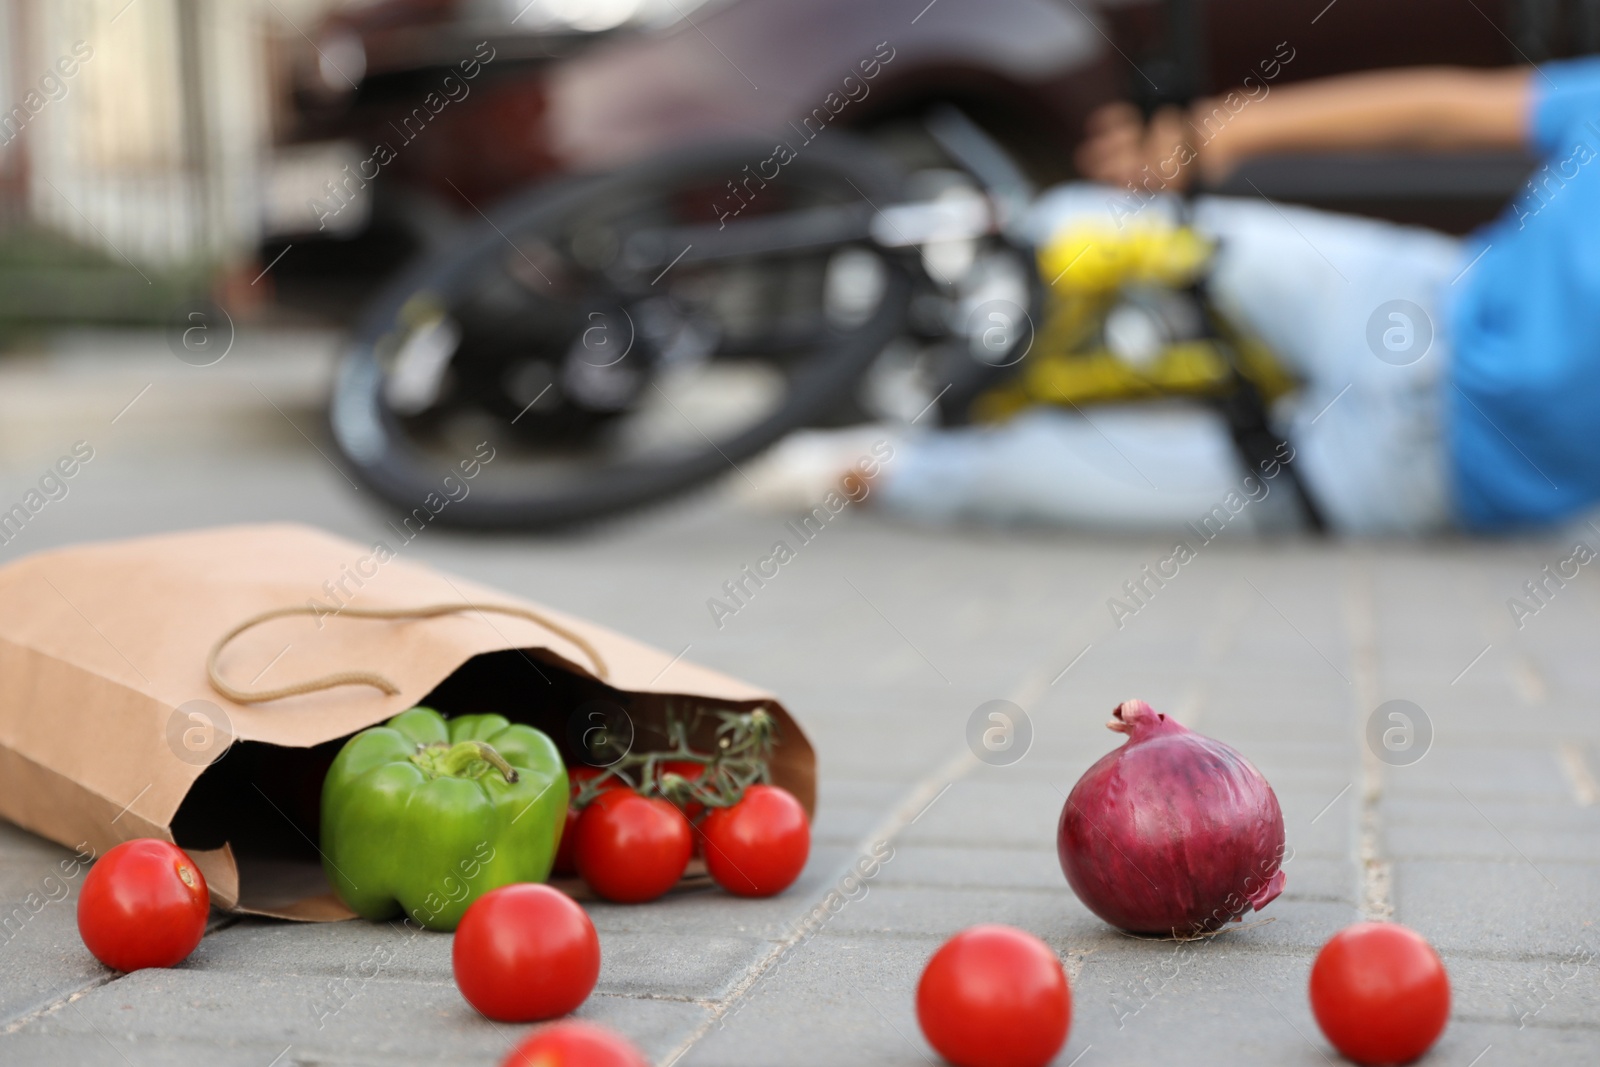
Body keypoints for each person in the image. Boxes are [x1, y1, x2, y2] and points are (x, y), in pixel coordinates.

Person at [787, 63, 1597, 536]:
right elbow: (1442, 112)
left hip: (1432, 465)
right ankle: (888, 264)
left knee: (1001, 478)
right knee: (1088, 226)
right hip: (1420, 296)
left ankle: (841, 469)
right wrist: (1218, 130)